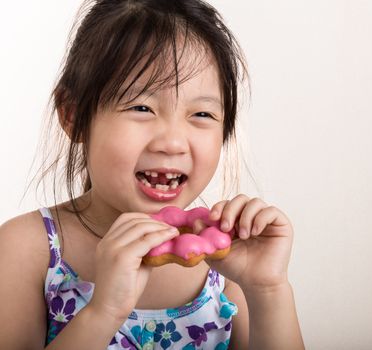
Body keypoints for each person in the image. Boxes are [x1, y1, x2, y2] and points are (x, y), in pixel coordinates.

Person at [0, 0, 304, 349]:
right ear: (73, 116)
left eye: (202, 114)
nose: (173, 142)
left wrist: (268, 288)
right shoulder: (28, 251)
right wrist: (104, 311)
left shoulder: (225, 261)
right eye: (141, 107)